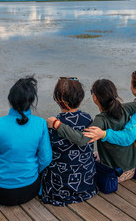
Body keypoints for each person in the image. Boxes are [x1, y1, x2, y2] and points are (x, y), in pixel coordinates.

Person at [47, 78, 136, 183]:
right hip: (133, 168)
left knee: (87, 162)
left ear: (95, 98)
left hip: (116, 173)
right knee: (94, 155)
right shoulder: (126, 108)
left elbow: (82, 139)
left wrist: (58, 125)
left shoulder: (101, 119)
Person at [0, 76, 52, 206]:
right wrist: (32, 171)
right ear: (31, 101)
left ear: (10, 99)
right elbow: (46, 158)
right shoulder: (41, 124)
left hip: (0, 192)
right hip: (29, 190)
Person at [41, 77, 97, 206]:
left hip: (59, 189)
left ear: (56, 98)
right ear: (81, 98)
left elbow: (45, 157)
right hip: (87, 185)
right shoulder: (87, 118)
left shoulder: (51, 124)